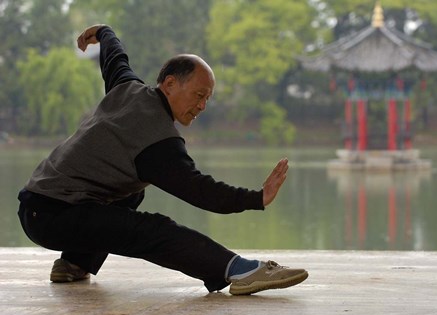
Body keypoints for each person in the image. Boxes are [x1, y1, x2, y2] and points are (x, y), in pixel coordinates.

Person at [17, 24, 308, 296]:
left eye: (208, 98)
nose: (202, 106)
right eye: (198, 94)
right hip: (55, 216)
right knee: (153, 231)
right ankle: (239, 270)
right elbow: (202, 191)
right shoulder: (157, 141)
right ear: (169, 84)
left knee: (132, 192)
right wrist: (257, 198)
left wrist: (104, 33)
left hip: (35, 209)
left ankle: (73, 263)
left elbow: (115, 58)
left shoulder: (126, 87)